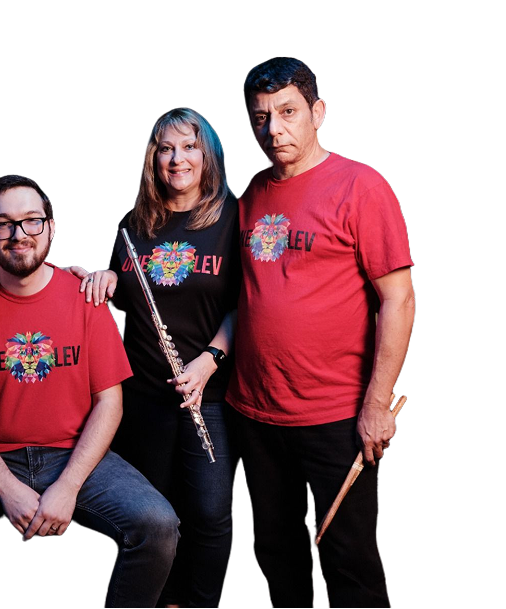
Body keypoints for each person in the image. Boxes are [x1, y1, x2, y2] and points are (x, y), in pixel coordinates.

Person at [0, 174, 180, 608]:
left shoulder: (86, 298)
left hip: (76, 453)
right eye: (3, 224)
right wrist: (6, 486)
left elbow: (109, 404)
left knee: (158, 525)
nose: (18, 235)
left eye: (31, 221)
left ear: (51, 228)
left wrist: (69, 485)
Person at [228, 57, 415, 607]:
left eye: (287, 113)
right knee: (275, 555)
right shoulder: (253, 191)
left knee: (351, 564)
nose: (273, 129)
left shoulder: (360, 184)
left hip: (336, 414)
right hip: (254, 412)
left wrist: (377, 405)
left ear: (318, 113)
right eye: (260, 117)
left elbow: (398, 298)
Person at [75, 107, 239, 607]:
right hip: (142, 395)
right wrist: (102, 280)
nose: (177, 159)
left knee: (212, 513)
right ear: (152, 158)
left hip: (206, 394)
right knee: (153, 515)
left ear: (207, 154)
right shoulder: (132, 225)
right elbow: (120, 301)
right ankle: (161, 598)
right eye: (165, 148)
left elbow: (247, 304)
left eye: (189, 146)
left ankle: (202, 601)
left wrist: (210, 358)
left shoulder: (235, 216)